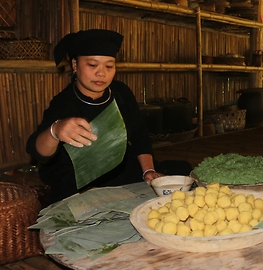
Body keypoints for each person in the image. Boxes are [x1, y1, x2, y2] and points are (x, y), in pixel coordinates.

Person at [26, 29, 164, 203]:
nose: (102, 73)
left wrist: (148, 171)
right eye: (92, 65)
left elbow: (140, 136)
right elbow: (37, 151)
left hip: (124, 178)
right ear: (75, 65)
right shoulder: (64, 103)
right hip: (80, 189)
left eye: (109, 66)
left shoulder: (121, 93)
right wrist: (56, 130)